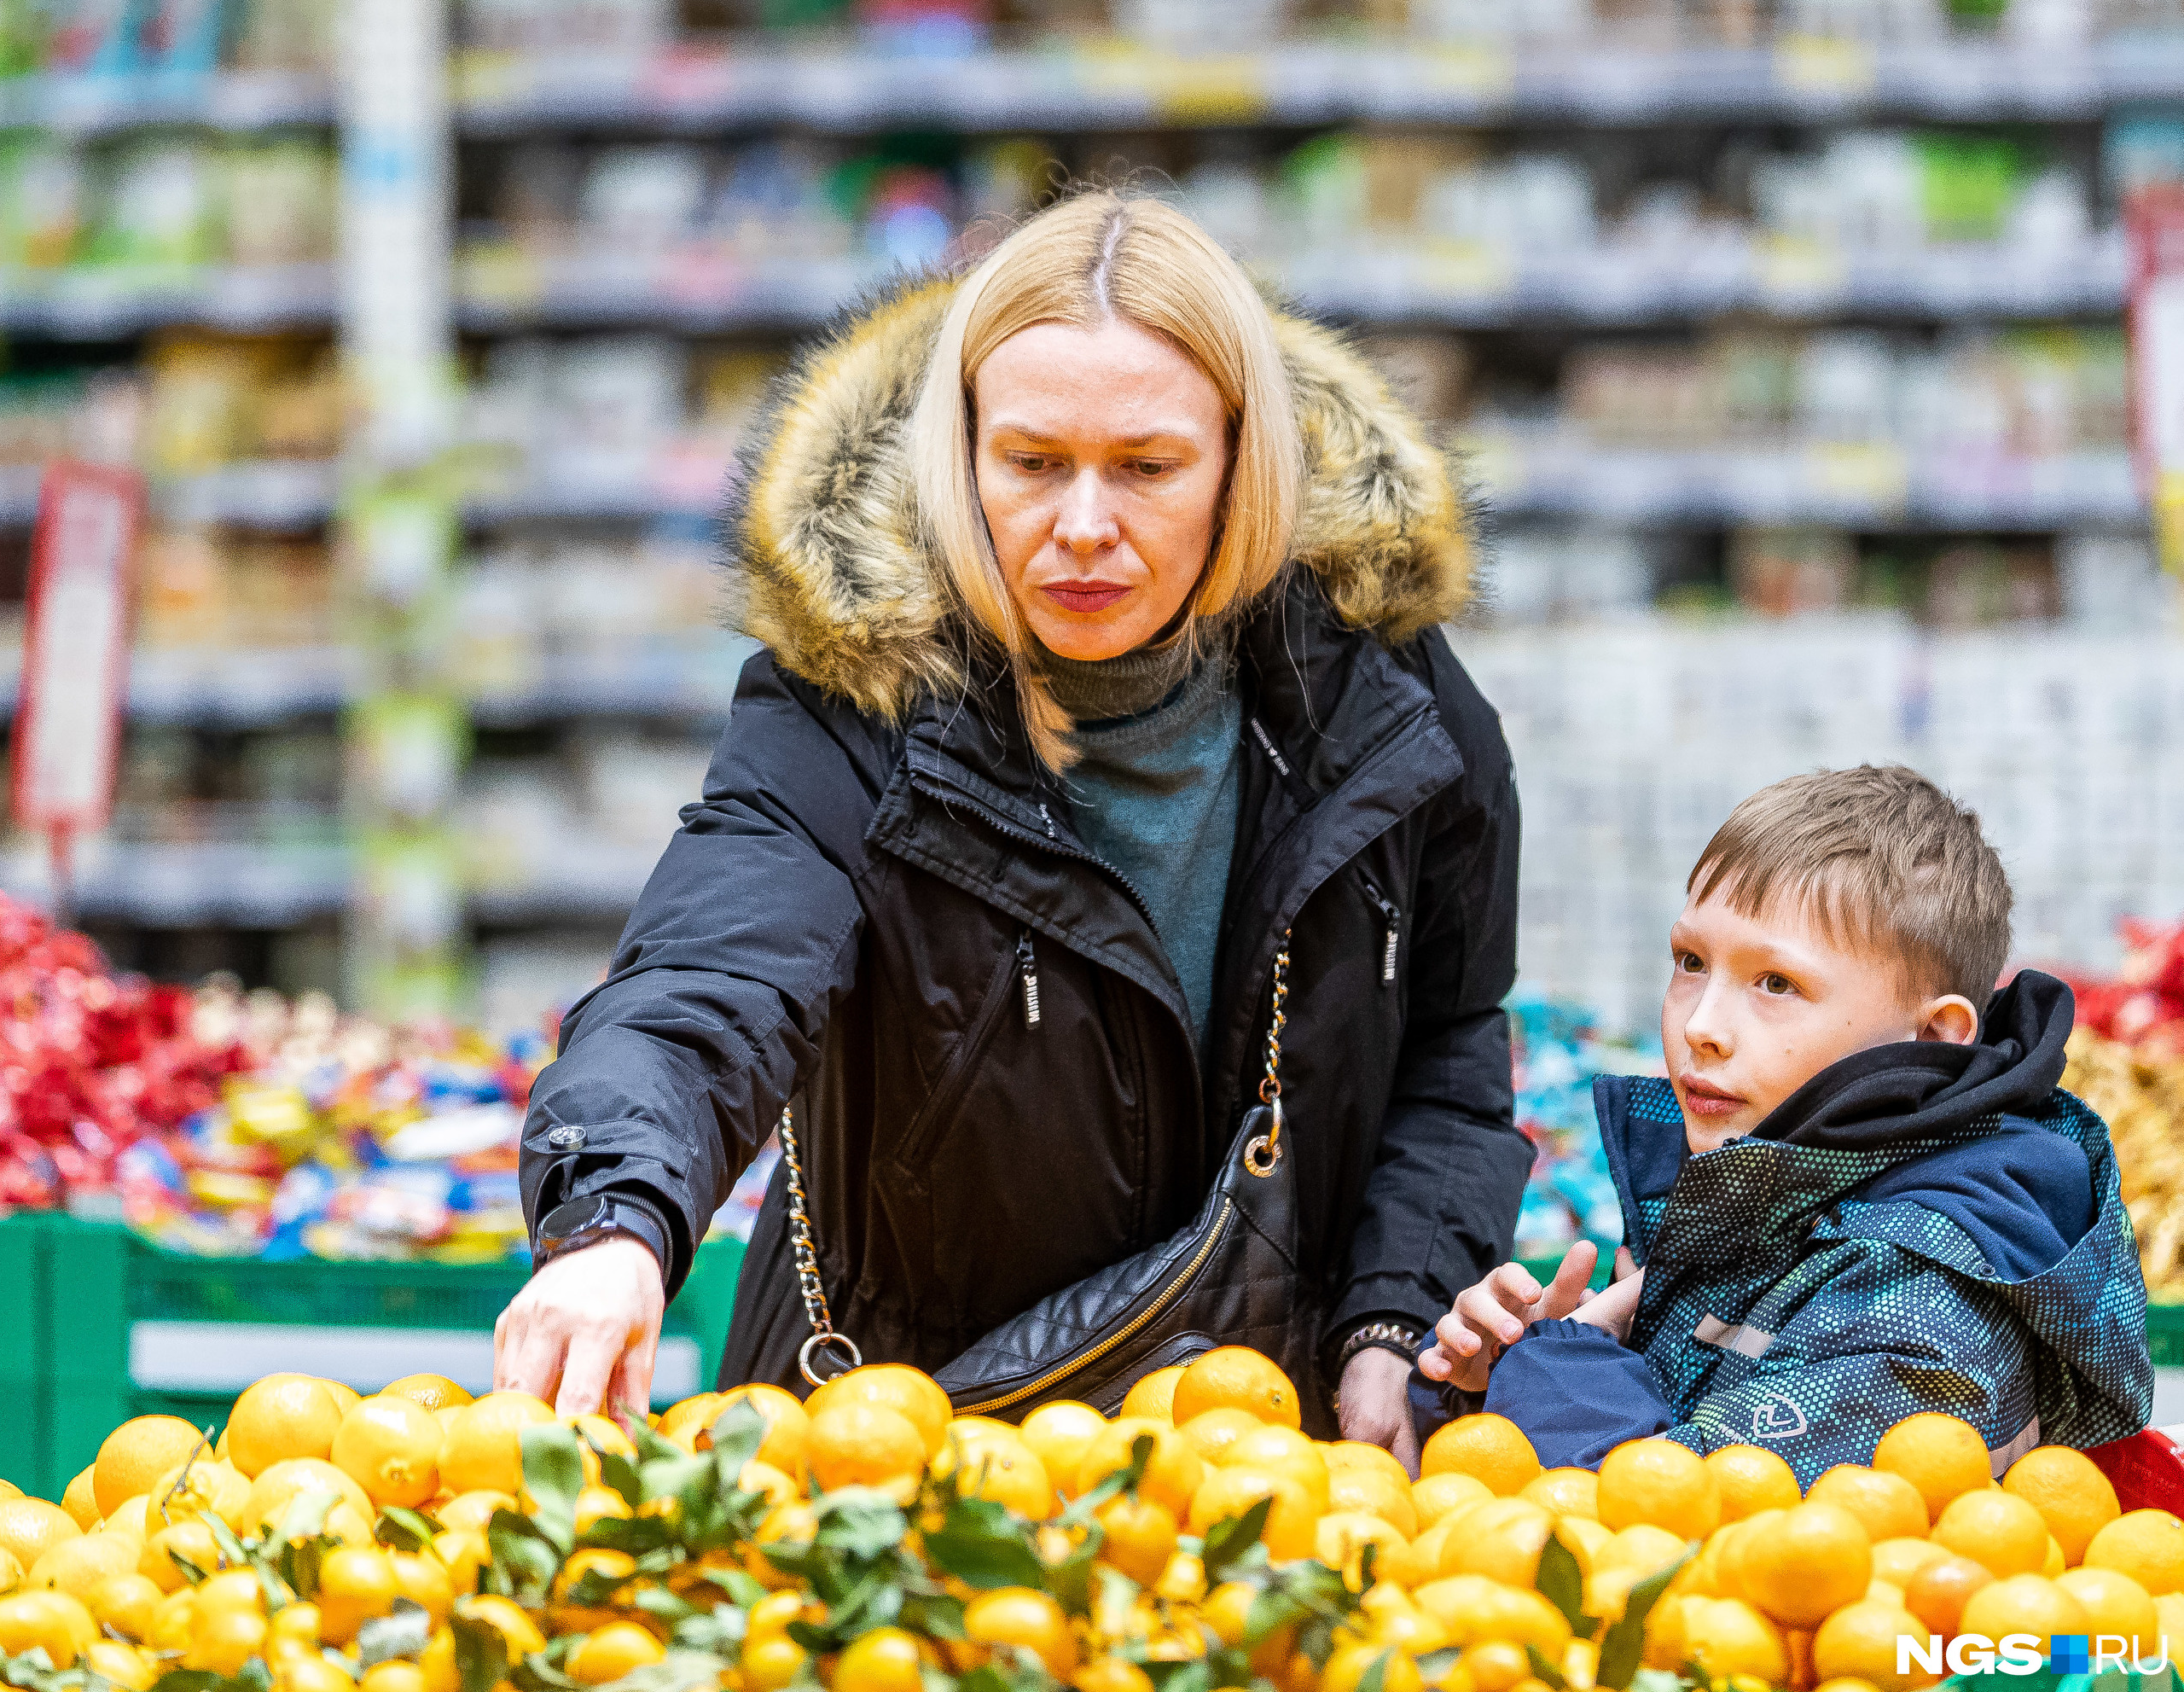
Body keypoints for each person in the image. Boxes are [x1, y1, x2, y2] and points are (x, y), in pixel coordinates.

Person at [495, 191, 1527, 1460]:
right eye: (1031, 463)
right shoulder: (858, 698)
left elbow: (1446, 1051)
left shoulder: (1389, 707)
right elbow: (708, 971)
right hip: (895, 1441)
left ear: (1240, 462)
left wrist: (1388, 1329)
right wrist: (613, 1225)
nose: (1081, 527)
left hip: (1256, 1453)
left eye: (1146, 468)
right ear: (959, 456)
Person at [1414, 765, 2152, 1480]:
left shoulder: (1921, 1297)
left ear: (1929, 1039)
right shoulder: (1769, 1188)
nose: (1699, 1025)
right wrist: (1486, 1384)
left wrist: (1565, 1380)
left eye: (1776, 983)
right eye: (1690, 960)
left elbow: (1700, 1527)